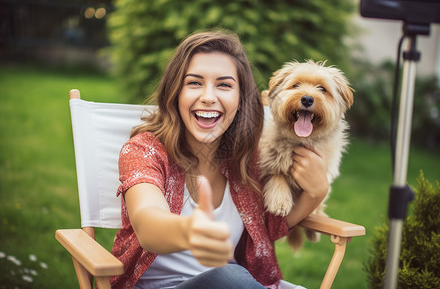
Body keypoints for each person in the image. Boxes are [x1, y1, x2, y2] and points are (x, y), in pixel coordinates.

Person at [111, 30, 329, 289]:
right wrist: (190, 230)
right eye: (194, 83)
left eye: (224, 85)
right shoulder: (144, 150)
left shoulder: (246, 160)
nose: (208, 97)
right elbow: (148, 223)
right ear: (175, 91)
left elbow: (267, 229)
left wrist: (316, 191)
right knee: (230, 276)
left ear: (240, 98)